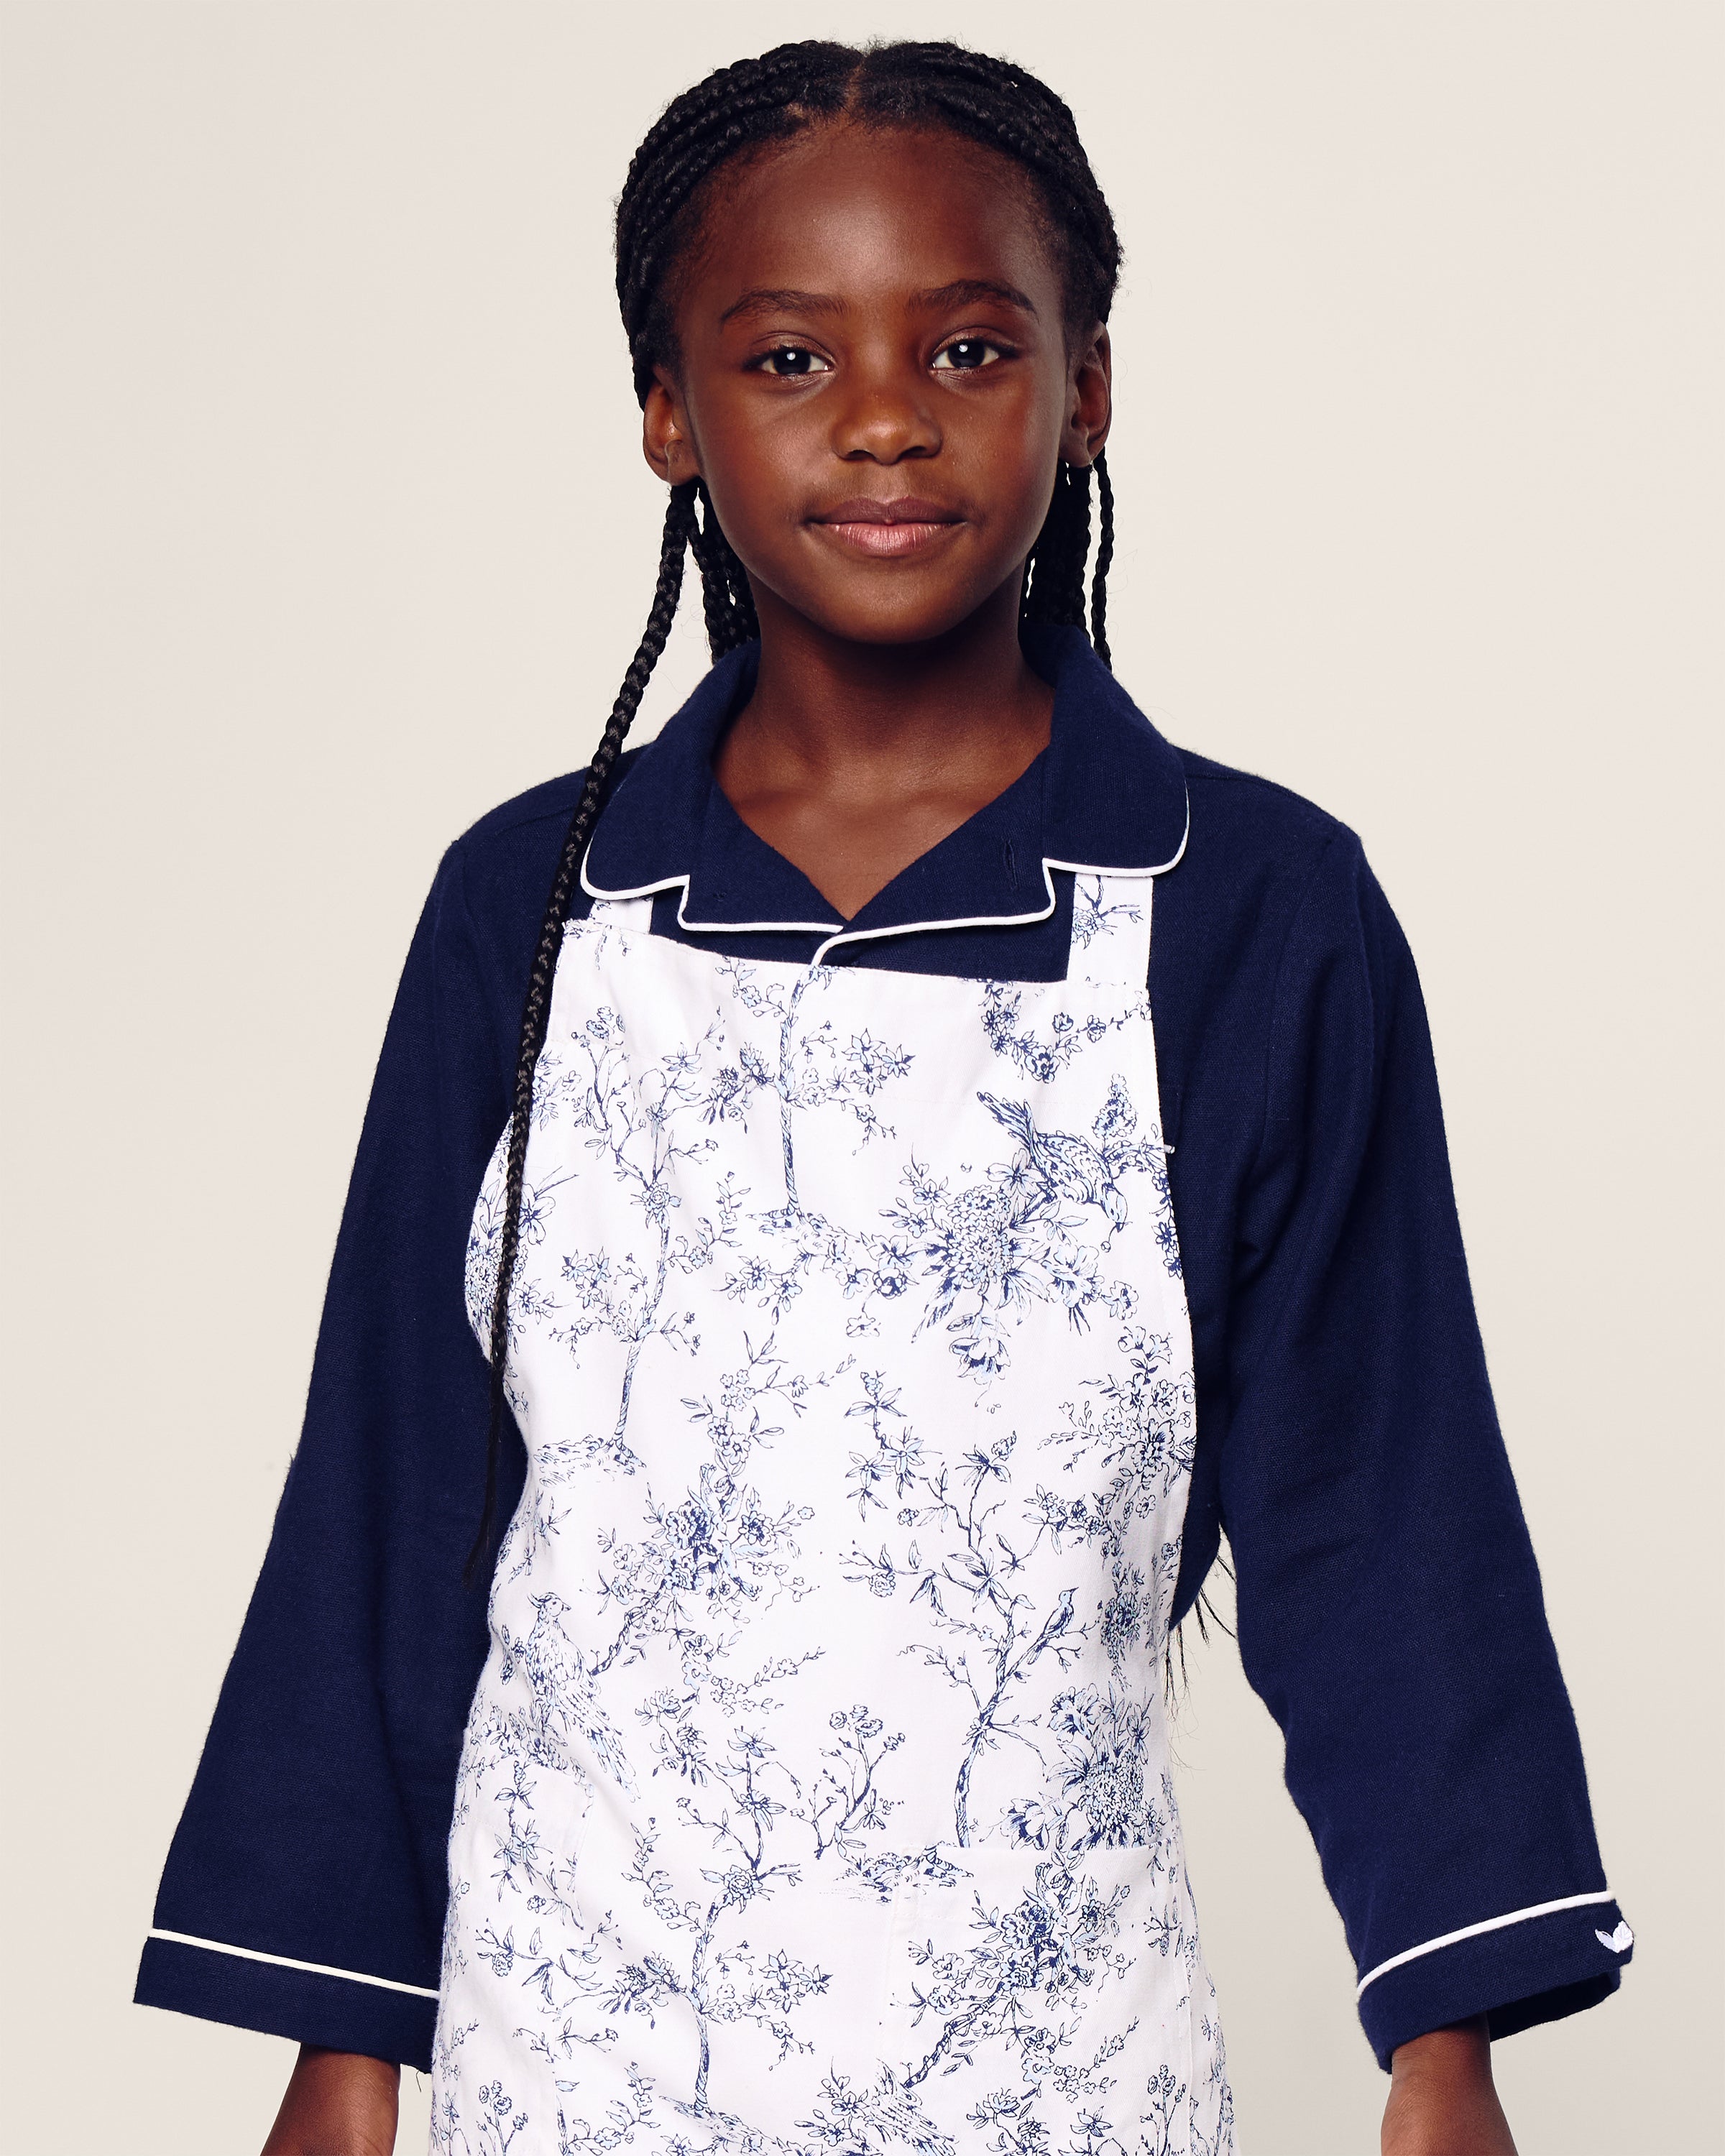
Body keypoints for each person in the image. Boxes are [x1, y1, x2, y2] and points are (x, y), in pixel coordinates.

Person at [134, 40, 1630, 2156]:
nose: (884, 413)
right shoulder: (530, 913)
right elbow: (395, 1505)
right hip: (578, 2072)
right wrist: (342, 2047)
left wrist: (1445, 2051)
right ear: (668, 413)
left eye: (965, 341)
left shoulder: (1249, 915)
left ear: (1088, 384)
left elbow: (1380, 1514)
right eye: (781, 354)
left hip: (1055, 2078)